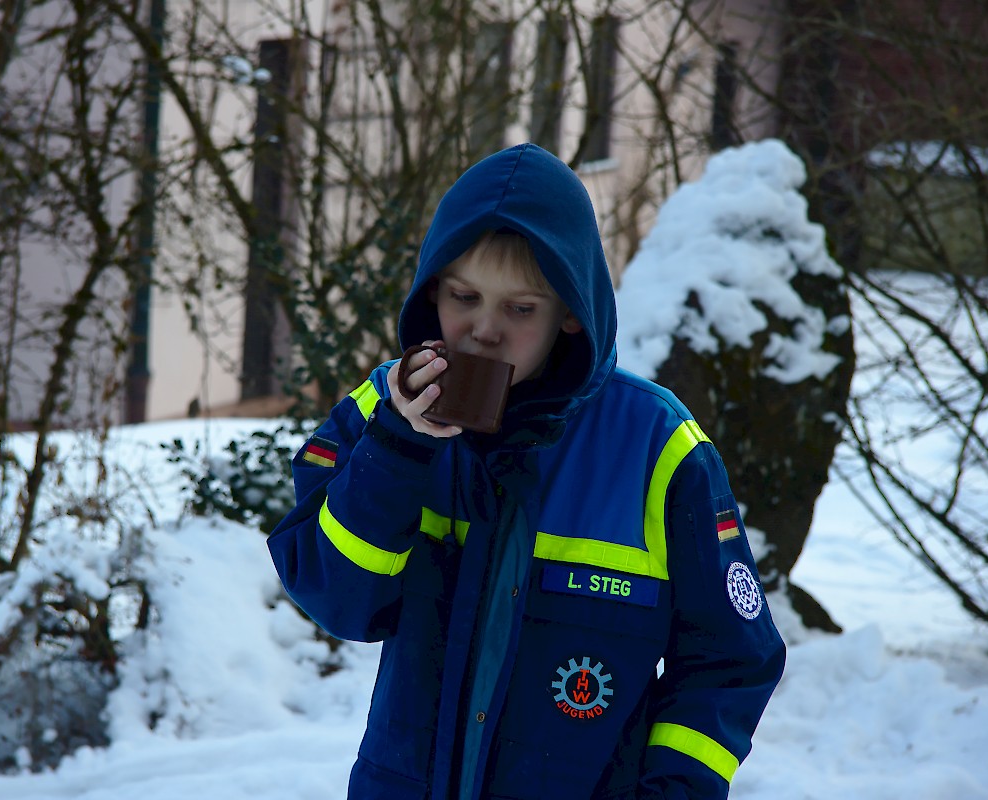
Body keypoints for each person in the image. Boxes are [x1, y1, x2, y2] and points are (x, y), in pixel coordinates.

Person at [268, 143, 785, 799]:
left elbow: (732, 659)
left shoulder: (658, 446)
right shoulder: (382, 411)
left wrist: (672, 790)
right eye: (464, 297)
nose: (483, 331)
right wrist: (399, 449)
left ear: (570, 312)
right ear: (432, 293)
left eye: (520, 309)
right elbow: (337, 599)